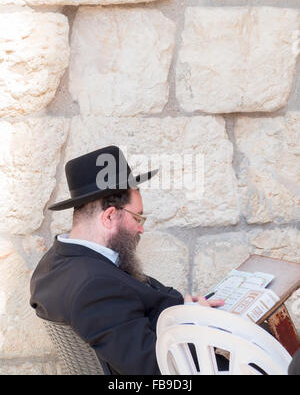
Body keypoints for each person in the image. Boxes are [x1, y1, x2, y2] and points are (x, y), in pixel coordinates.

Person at [30, 146, 224, 375]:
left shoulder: (54, 263)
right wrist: (196, 326)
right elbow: (153, 369)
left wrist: (185, 308)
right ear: (110, 216)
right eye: (138, 216)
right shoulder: (94, 285)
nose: (141, 227)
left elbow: (128, 310)